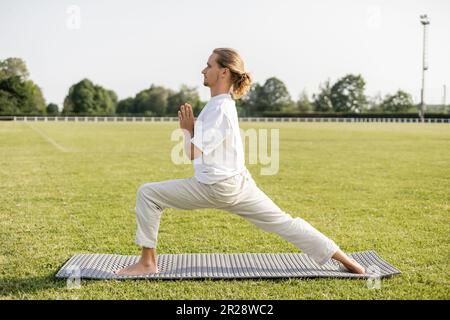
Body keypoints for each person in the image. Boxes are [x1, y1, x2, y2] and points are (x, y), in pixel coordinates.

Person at [116, 48, 365, 276]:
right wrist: (192, 128)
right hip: (239, 182)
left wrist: (185, 129)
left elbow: (192, 153)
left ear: (223, 71)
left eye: (208, 65)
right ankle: (348, 261)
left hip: (217, 187)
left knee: (148, 194)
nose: (203, 70)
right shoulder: (221, 105)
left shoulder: (218, 108)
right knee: (285, 223)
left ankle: (147, 263)